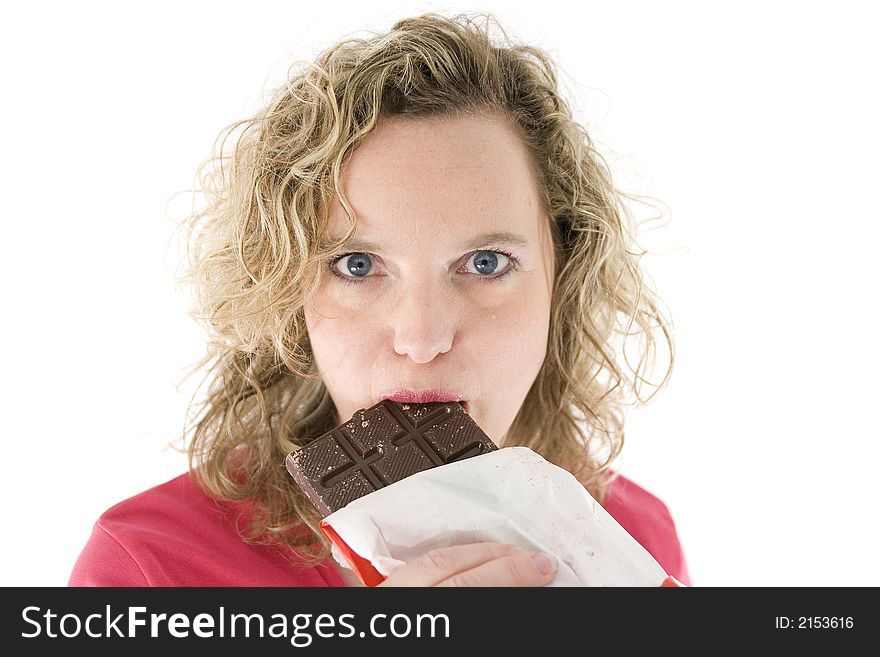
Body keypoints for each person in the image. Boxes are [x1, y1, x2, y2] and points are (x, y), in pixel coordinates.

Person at [69, 12, 690, 587]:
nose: (422, 341)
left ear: (566, 273)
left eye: (486, 263)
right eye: (357, 265)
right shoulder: (153, 566)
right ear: (286, 288)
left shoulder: (632, 543)